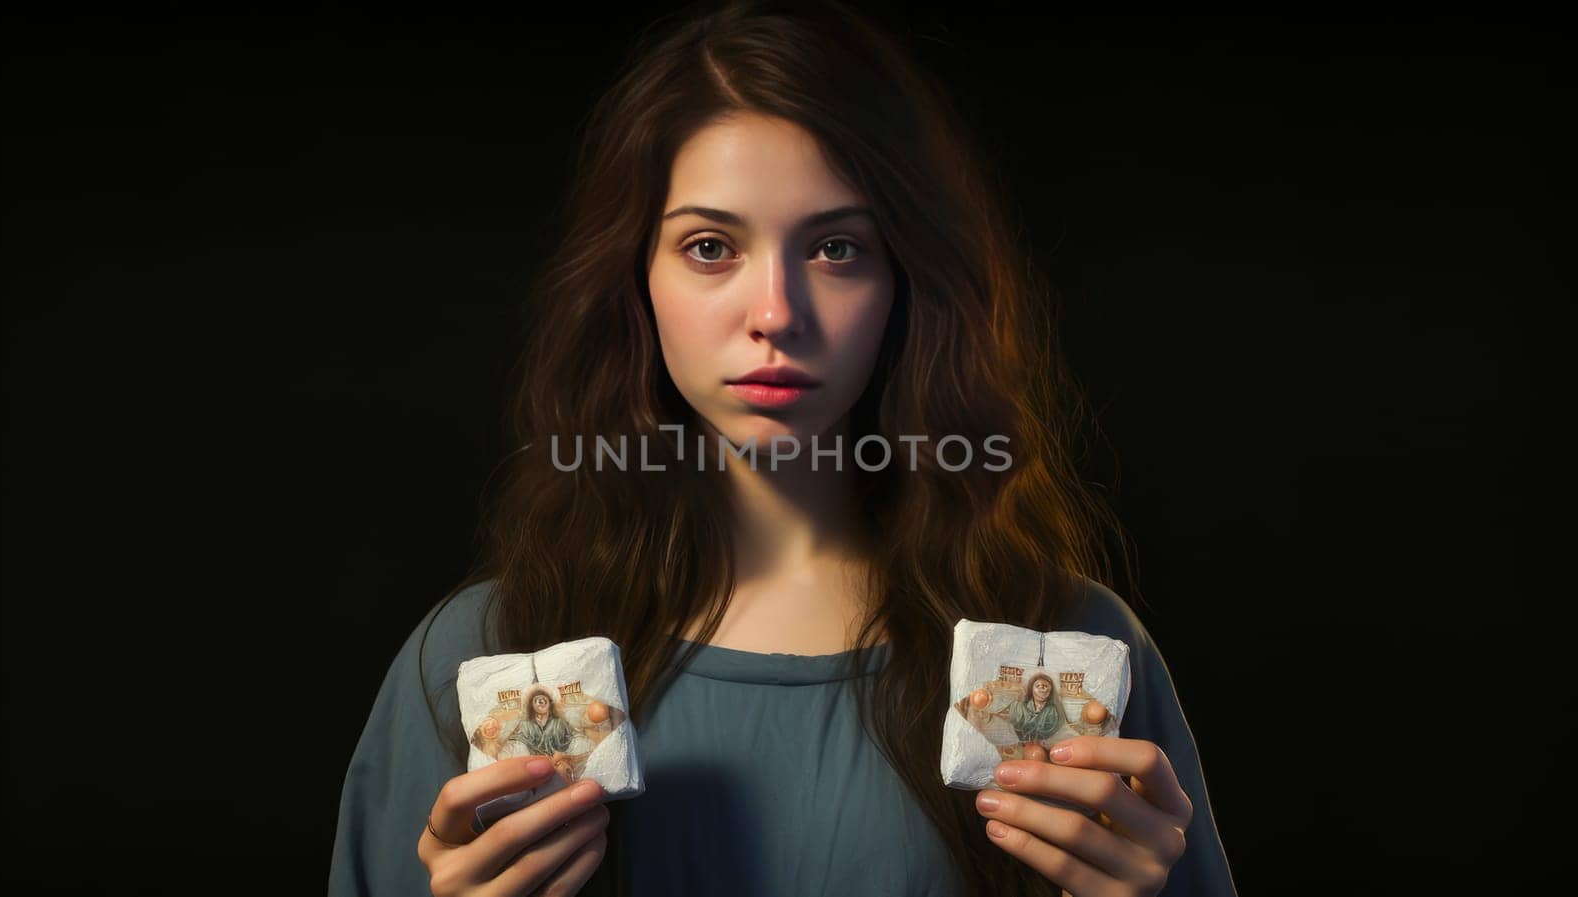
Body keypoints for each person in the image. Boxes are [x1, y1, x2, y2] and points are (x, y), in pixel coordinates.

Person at [330, 1, 1238, 895]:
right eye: (711, 245)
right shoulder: (476, 653)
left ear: (910, 281)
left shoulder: (1072, 640)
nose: (775, 313)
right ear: (632, 278)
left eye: (838, 248)